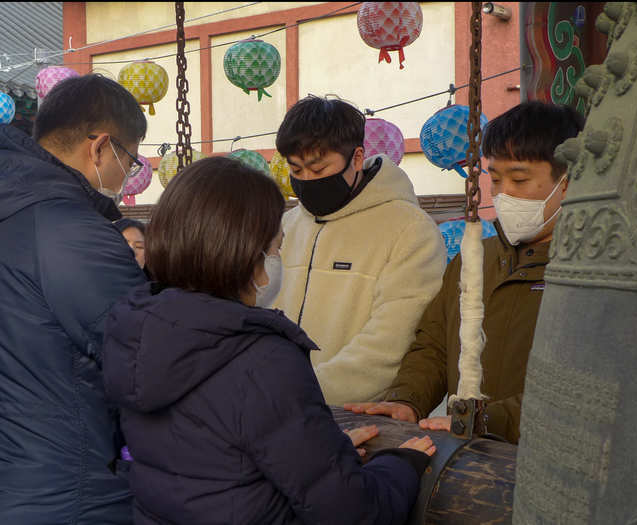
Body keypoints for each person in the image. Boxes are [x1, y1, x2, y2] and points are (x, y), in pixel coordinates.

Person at [102, 156, 436, 525]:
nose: (277, 260)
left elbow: (218, 458)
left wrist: (327, 455)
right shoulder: (261, 358)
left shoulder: (136, 330)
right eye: (276, 248)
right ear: (244, 253)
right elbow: (352, 511)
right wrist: (400, 466)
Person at [345, 101, 585, 444]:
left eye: (519, 179)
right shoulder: (474, 261)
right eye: (497, 180)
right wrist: (407, 400)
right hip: (467, 456)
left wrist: (488, 420)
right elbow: (433, 346)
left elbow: (576, 388)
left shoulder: (589, 275)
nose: (503, 195)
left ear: (568, 181)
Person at [0, 74, 147, 524]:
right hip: (66, 490)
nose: (128, 175)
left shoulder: (15, 203)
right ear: (101, 147)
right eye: (131, 160)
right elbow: (149, 357)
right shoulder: (71, 233)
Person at [273, 95, 446, 405]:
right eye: (296, 171)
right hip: (271, 405)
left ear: (356, 158)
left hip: (359, 417)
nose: (307, 181)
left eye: (318, 168)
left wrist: (301, 392)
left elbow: (390, 342)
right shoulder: (287, 226)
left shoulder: (410, 231)